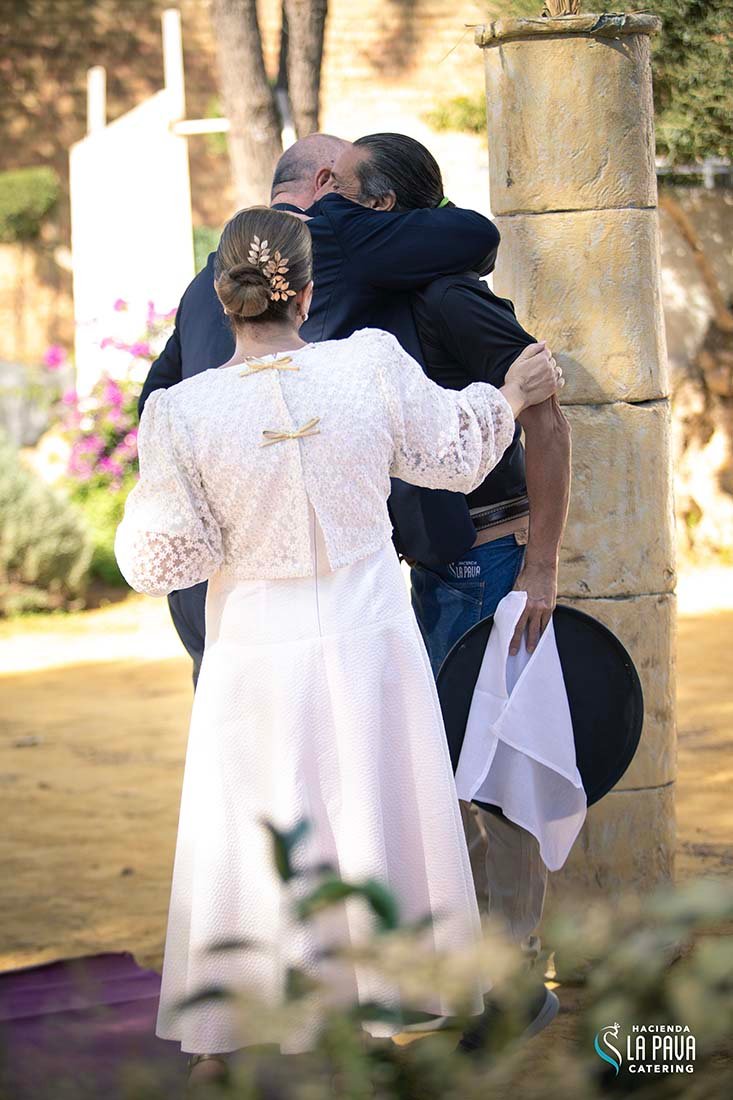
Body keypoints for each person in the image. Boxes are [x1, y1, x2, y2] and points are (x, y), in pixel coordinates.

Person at [115, 207, 562, 1083]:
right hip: (369, 637)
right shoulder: (368, 363)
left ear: (221, 295)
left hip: (255, 644)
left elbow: (164, 559)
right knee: (371, 807)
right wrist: (508, 396)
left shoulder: (180, 412)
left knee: (256, 819)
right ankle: (373, 1007)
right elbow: (453, 455)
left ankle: (231, 1031)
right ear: (309, 292)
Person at [316, 133, 571, 1023]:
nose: (326, 205)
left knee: (493, 777)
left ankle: (516, 979)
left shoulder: (449, 295)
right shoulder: (366, 301)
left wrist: (540, 565)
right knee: (436, 779)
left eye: (344, 189)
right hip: (423, 573)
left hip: (491, 563)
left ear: (380, 206)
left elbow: (547, 420)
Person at [139, 133, 501, 685]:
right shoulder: (341, 237)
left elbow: (156, 398)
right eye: (350, 187)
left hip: (214, 597)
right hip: (321, 587)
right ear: (325, 183)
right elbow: (476, 235)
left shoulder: (204, 283)